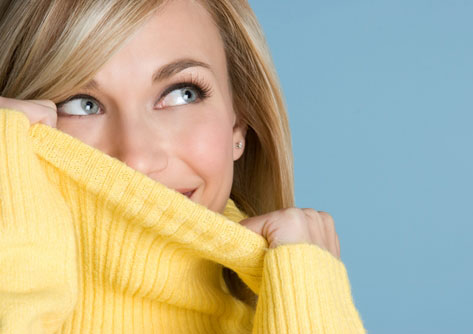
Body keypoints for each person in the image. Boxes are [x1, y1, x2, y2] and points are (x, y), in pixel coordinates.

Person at [0, 0, 367, 333]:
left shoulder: (301, 306)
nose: (137, 159)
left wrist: (310, 299)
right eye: (80, 104)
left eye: (181, 94)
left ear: (237, 125)